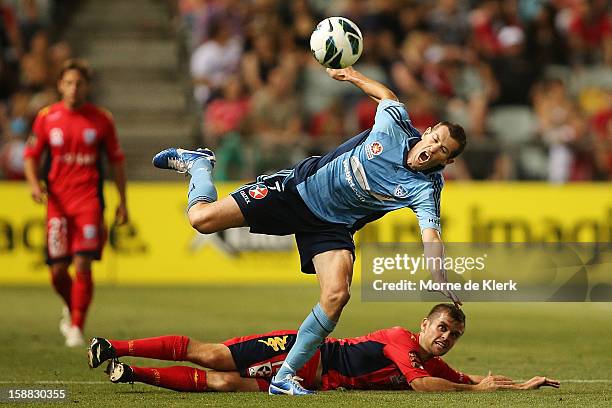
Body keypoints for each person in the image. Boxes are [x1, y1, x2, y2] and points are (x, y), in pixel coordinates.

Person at [152, 66, 467, 394]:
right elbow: (386, 96)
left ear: (448, 162)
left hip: (333, 224)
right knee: (201, 220)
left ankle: (286, 376)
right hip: (298, 191)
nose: (432, 148)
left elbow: (431, 234)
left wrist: (438, 274)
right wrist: (351, 74)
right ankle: (200, 164)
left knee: (337, 294)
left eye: (443, 150)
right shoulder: (395, 126)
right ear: (427, 131)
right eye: (434, 139)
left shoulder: (427, 187)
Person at [87, 303, 559, 393]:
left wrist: (517, 385)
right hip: (303, 353)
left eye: (453, 336)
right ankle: (116, 345)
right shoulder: (401, 341)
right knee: (210, 355)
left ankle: (130, 373)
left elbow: (467, 381)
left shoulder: (433, 363)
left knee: (223, 383)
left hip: (312, 382)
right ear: (424, 324)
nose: (445, 338)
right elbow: (423, 386)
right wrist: (473, 392)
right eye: (442, 329)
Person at [23, 58, 129, 347]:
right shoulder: (47, 117)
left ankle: (77, 326)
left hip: (89, 202)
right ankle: (72, 307)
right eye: (68, 83)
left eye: (79, 83)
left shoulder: (101, 119)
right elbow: (31, 156)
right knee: (58, 271)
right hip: (57, 203)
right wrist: (34, 185)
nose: (73, 88)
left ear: (87, 87)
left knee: (83, 263)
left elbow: (116, 162)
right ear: (59, 85)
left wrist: (122, 201)